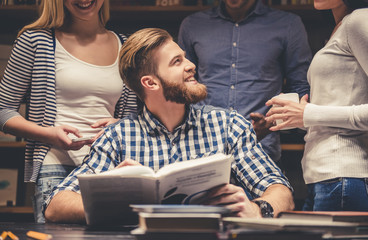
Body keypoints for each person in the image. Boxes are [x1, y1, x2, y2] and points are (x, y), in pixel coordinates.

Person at [43, 28, 294, 223]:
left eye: (184, 57)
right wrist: (126, 201)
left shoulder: (229, 126)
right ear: (151, 83)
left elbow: (281, 192)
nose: (191, 65)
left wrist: (257, 208)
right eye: (177, 62)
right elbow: (56, 205)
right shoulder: (117, 137)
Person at [0, 0, 137, 223]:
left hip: (106, 165)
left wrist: (119, 125)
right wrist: (48, 134)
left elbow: (132, 121)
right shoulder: (35, 40)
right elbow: (3, 110)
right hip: (54, 164)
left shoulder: (127, 46)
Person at [178, 0, 312, 162]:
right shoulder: (193, 24)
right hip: (203, 143)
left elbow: (299, 87)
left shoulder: (288, 24)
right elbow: (182, 86)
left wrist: (273, 121)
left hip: (260, 145)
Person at [265, 0, 368, 211]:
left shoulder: (360, 19)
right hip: (323, 176)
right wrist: (297, 117)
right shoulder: (340, 26)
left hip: (344, 173)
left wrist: (309, 113)